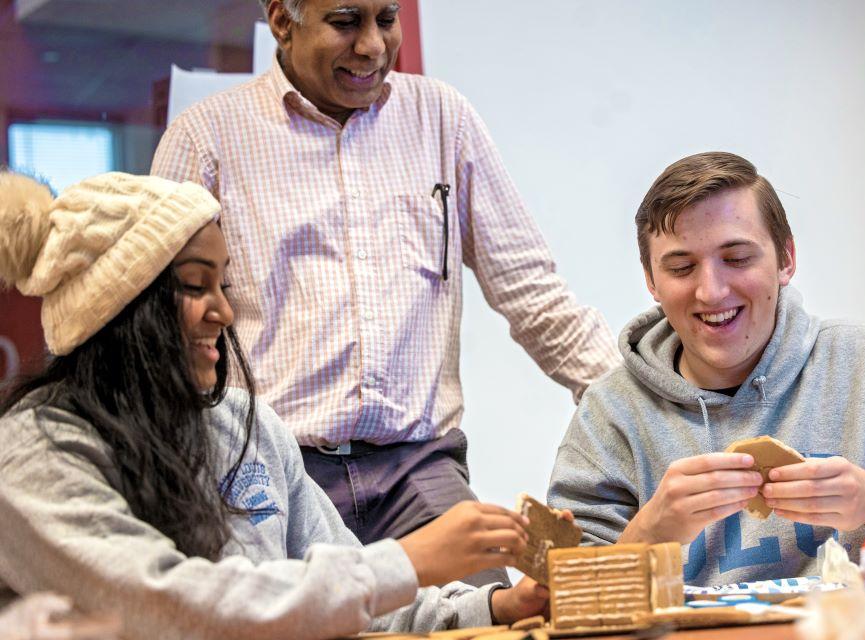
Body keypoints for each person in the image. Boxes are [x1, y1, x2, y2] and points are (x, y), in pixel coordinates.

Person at [149, 0, 620, 585]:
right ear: (281, 19)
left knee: (488, 615)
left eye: (387, 19)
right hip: (269, 467)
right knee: (274, 619)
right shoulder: (207, 137)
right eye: (346, 22)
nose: (373, 45)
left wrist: (636, 412)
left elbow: (533, 292)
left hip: (418, 470)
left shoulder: (442, 117)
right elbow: (155, 325)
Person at [0, 171, 548, 639]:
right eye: (196, 285)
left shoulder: (243, 425)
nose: (225, 312)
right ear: (115, 308)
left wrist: (494, 608)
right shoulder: (36, 453)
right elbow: (166, 605)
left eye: (225, 283)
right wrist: (406, 561)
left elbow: (339, 596)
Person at [547, 151, 865, 587]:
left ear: (785, 259)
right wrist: (651, 532)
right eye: (682, 267)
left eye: (738, 258)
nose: (711, 291)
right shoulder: (610, 414)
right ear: (651, 280)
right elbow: (564, 597)